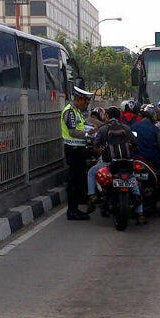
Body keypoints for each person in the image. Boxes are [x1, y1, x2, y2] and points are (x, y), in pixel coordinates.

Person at [61, 86, 93, 220]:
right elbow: (73, 131)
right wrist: (87, 134)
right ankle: (72, 211)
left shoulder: (77, 112)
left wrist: (92, 129)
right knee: (73, 181)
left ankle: (76, 208)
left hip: (79, 150)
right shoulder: (70, 112)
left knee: (78, 180)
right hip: (73, 151)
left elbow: (82, 126)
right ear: (79, 99)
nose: (86, 104)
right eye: (85, 101)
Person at [131, 104, 160, 178]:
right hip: (151, 158)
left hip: (135, 157)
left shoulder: (133, 126)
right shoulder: (155, 129)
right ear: (153, 115)